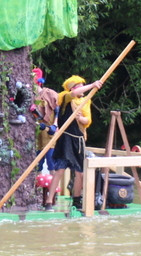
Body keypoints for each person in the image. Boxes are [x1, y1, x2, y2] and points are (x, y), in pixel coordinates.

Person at [48, 75, 102, 210]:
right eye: (80, 85)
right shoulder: (65, 97)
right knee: (60, 170)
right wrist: (92, 85)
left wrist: (80, 118)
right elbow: (73, 93)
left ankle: (77, 200)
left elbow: (87, 121)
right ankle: (49, 201)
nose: (82, 88)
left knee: (80, 173)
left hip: (78, 140)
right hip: (65, 139)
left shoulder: (85, 102)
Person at [31, 67, 60, 210]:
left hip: (50, 133)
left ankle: (53, 195)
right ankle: (36, 195)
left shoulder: (49, 93)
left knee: (51, 163)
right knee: (37, 163)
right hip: (36, 133)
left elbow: (58, 109)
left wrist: (55, 125)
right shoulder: (29, 94)